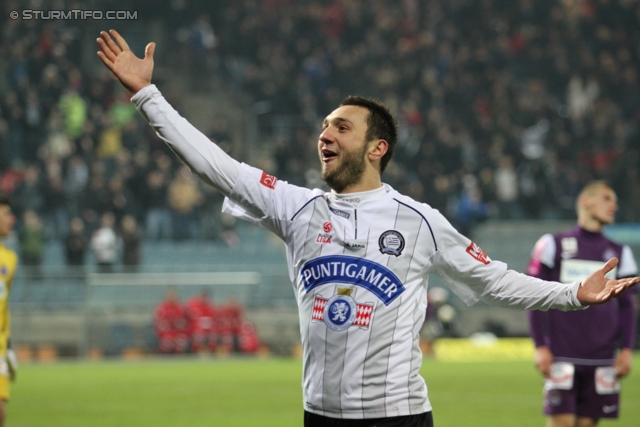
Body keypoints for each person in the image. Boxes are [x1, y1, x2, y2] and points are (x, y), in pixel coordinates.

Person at [97, 30, 640, 427]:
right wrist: (148, 96)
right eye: (324, 125)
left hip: (397, 417)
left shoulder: (421, 222)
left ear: (377, 147)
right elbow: (213, 164)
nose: (324, 133)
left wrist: (572, 294)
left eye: (341, 126)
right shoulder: (298, 208)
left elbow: (493, 279)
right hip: (320, 415)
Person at [526, 181, 638, 427]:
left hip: (603, 357)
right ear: (586, 202)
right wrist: (540, 346)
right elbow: (533, 296)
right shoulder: (552, 244)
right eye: (607, 199)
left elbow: (627, 306)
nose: (614, 205)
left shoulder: (620, 252)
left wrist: (627, 349)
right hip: (561, 354)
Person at [0, 195, 18, 427]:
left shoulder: (10, 259)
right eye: (5, 214)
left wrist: (9, 344)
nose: (11, 219)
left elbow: (4, 307)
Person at [154, 288, 188, 354]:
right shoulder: (162, 307)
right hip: (166, 332)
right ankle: (164, 358)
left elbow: (184, 322)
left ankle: (179, 359)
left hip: (177, 331)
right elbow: (159, 322)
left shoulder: (180, 307)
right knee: (167, 342)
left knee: (180, 341)